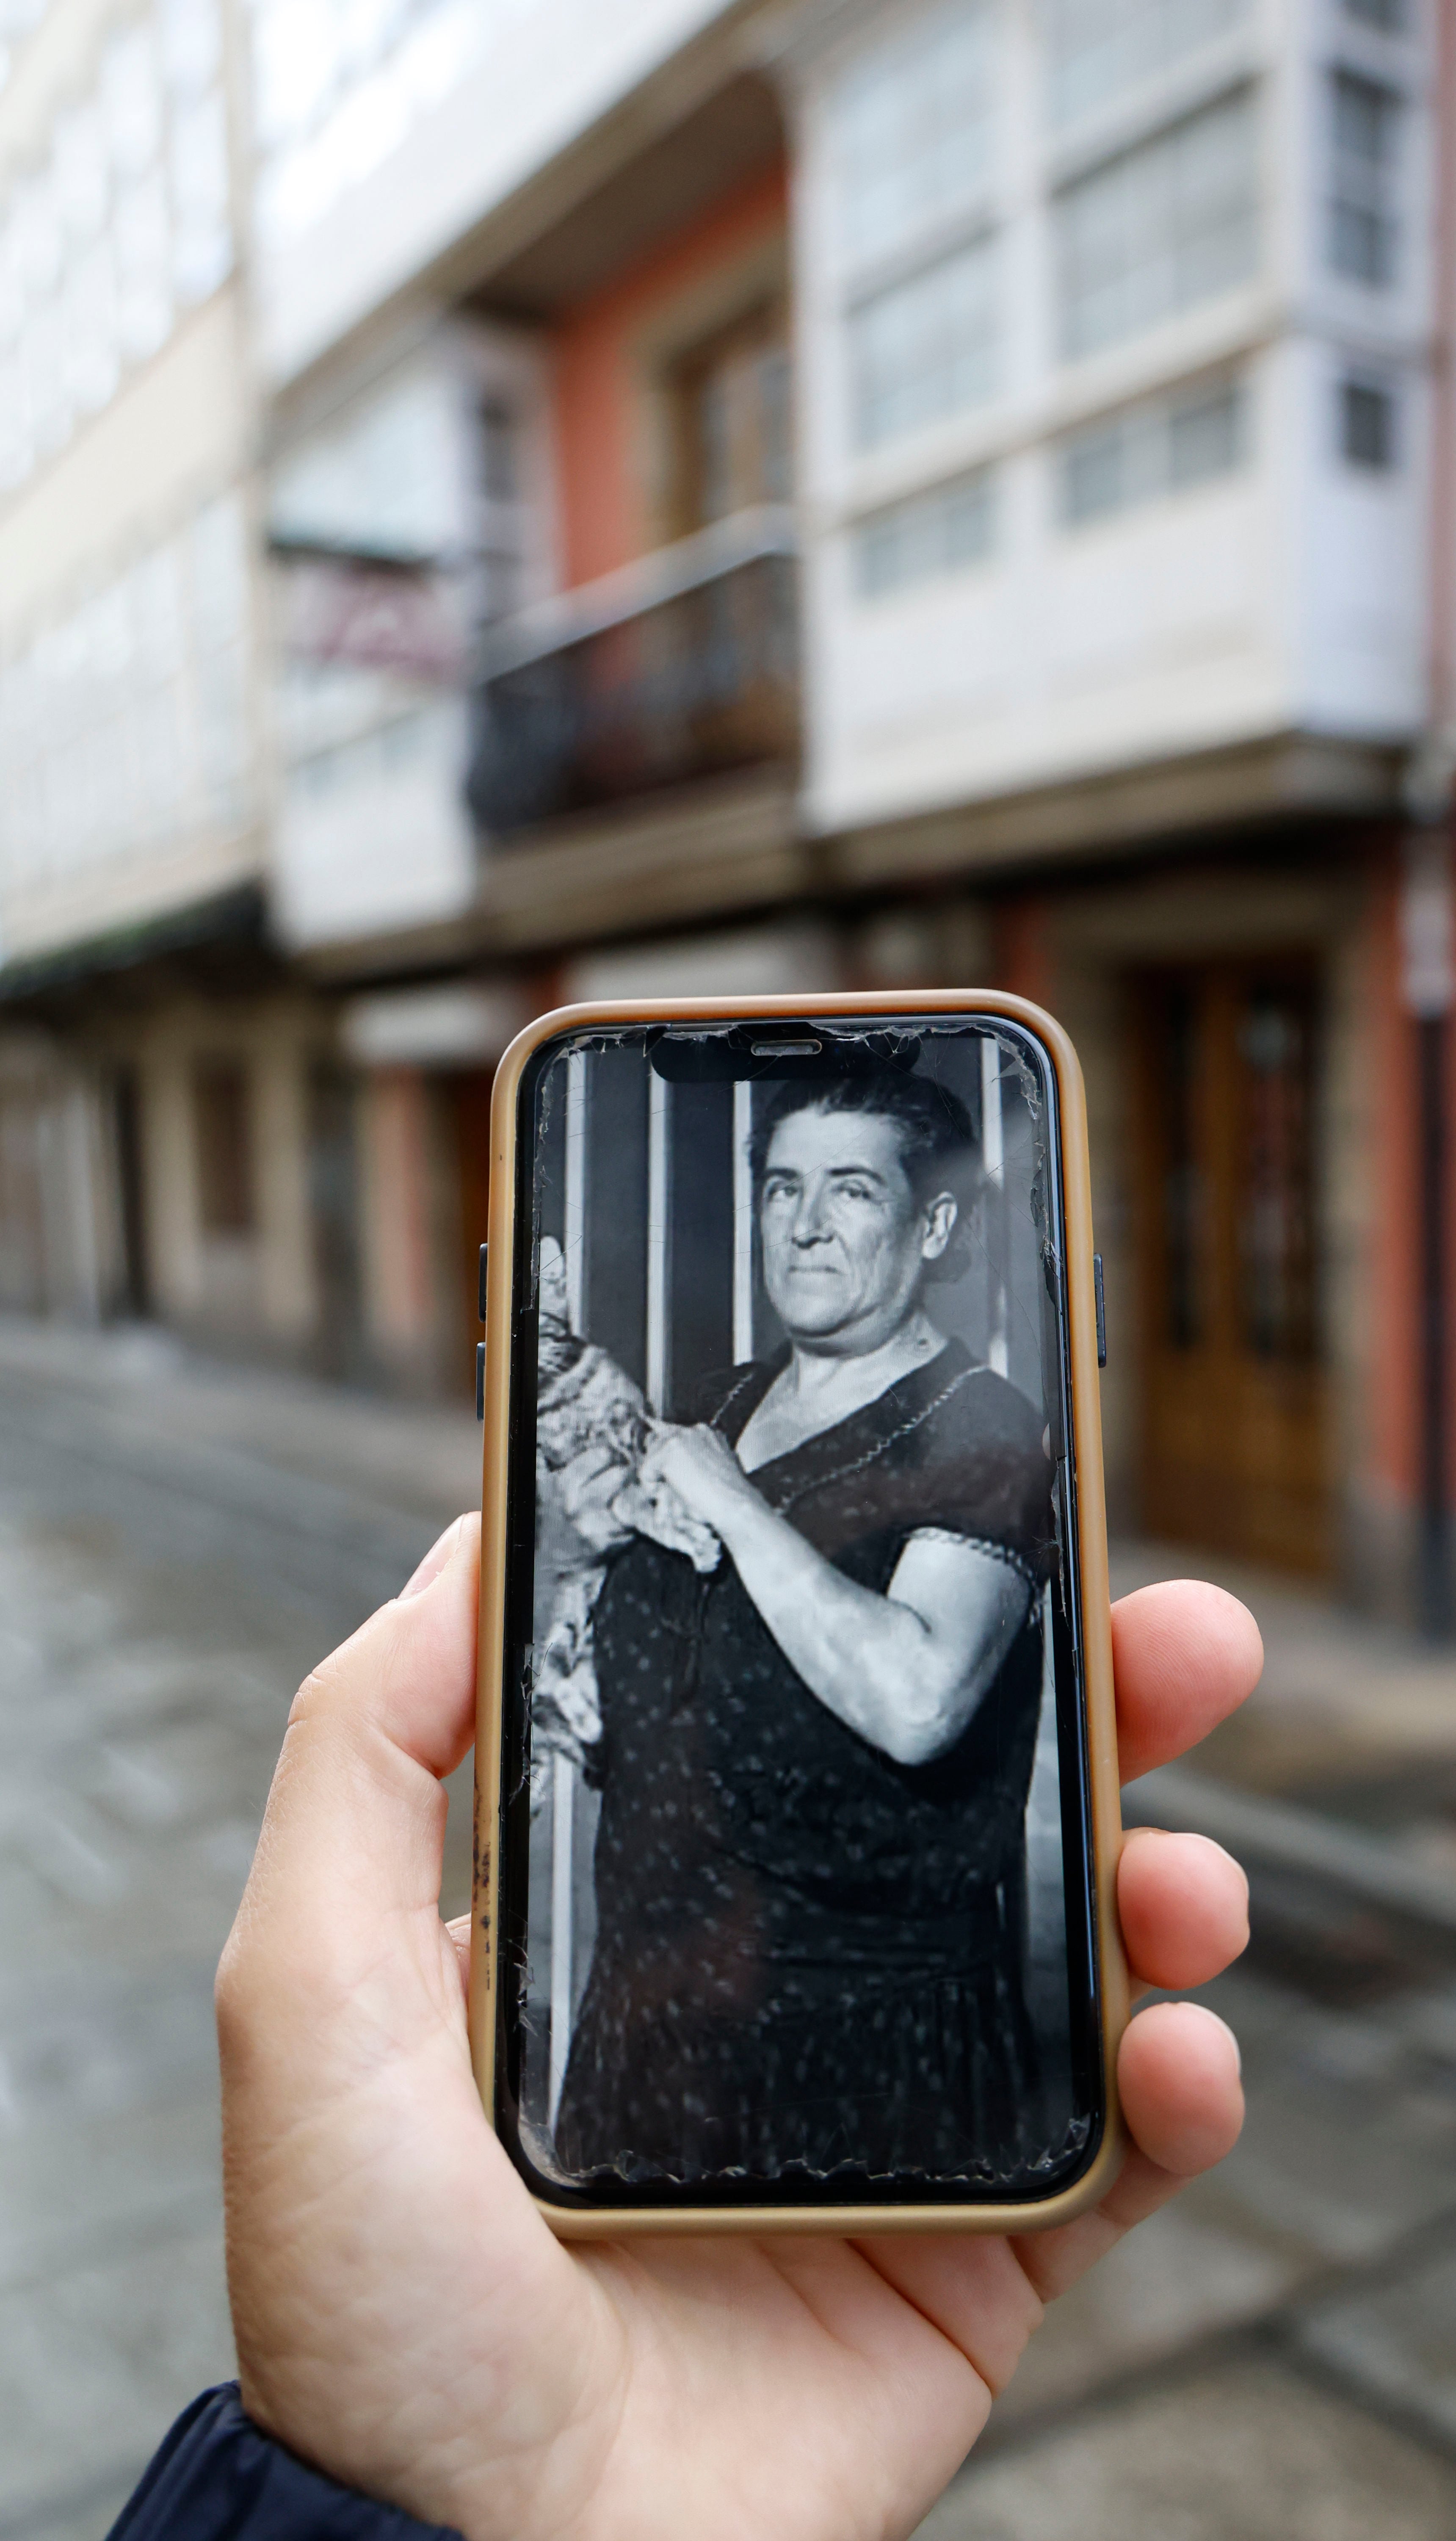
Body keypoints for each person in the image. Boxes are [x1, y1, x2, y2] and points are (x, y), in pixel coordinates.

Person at [113, 1514, 1260, 2538]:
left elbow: (912, 1706)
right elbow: (707, 1715)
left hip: (877, 2021)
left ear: (924, 1253)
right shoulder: (742, 1404)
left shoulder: (958, 1432)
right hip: (660, 2003)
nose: (805, 1254)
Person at [554, 1069, 1062, 2185]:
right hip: (654, 2027)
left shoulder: (981, 1430)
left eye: (850, 1192)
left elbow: (919, 1702)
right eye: (782, 1189)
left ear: (933, 1225)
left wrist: (732, 1503)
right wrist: (584, 1575)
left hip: (862, 2060)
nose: (806, 1226)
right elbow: (659, 1667)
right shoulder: (725, 1399)